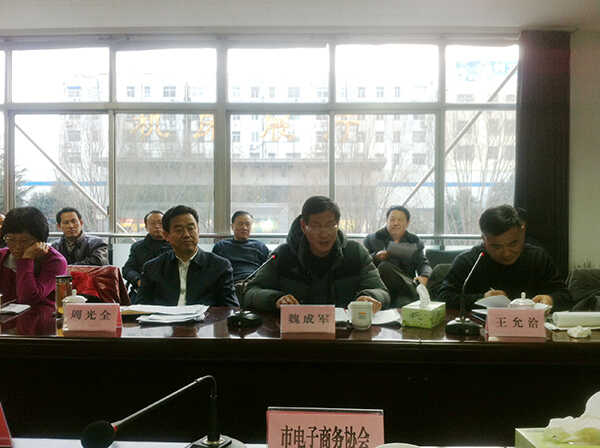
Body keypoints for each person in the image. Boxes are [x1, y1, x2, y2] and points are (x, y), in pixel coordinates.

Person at [245, 196, 390, 312]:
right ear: (304, 226)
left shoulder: (355, 252)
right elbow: (250, 292)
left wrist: (370, 297)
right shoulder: (283, 255)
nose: (324, 233)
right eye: (316, 226)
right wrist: (275, 300)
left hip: (344, 332)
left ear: (338, 224)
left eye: (330, 225)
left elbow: (381, 291)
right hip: (296, 332)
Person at [438, 204, 572, 311]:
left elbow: (565, 296)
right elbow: (443, 298)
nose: (506, 253)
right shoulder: (469, 261)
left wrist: (550, 299)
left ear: (523, 231)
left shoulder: (537, 258)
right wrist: (481, 299)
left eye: (513, 244)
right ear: (484, 239)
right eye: (496, 247)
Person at [135, 205, 238, 307]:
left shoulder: (219, 266)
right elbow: (139, 308)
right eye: (179, 230)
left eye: (191, 228)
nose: (186, 235)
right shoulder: (152, 268)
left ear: (198, 231)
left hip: (205, 318)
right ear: (166, 235)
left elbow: (230, 309)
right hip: (163, 318)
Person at [363, 205, 432, 307]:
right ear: (387, 221)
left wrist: (424, 276)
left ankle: (413, 290)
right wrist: (376, 257)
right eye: (392, 219)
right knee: (384, 267)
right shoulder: (372, 239)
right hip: (379, 288)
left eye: (400, 220)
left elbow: (423, 264)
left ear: (407, 223)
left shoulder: (414, 241)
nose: (395, 223)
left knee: (403, 304)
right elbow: (363, 264)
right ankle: (415, 291)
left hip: (403, 290)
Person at [0, 207, 68, 308]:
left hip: (42, 315)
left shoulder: (55, 261)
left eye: (24, 241)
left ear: (40, 241)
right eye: (11, 239)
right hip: (6, 315)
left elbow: (27, 299)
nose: (17, 246)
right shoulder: (2, 256)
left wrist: (26, 259)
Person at [212, 211, 270, 302]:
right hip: (230, 284)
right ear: (232, 226)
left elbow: (267, 271)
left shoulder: (260, 246)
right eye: (240, 224)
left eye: (247, 224)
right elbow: (214, 272)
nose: (244, 227)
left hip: (254, 285)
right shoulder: (221, 246)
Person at [122, 210, 171, 300]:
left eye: (160, 223)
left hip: (168, 292)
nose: (157, 226)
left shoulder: (175, 245)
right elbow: (127, 269)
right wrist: (138, 280)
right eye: (152, 223)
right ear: (146, 227)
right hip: (142, 291)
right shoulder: (138, 247)